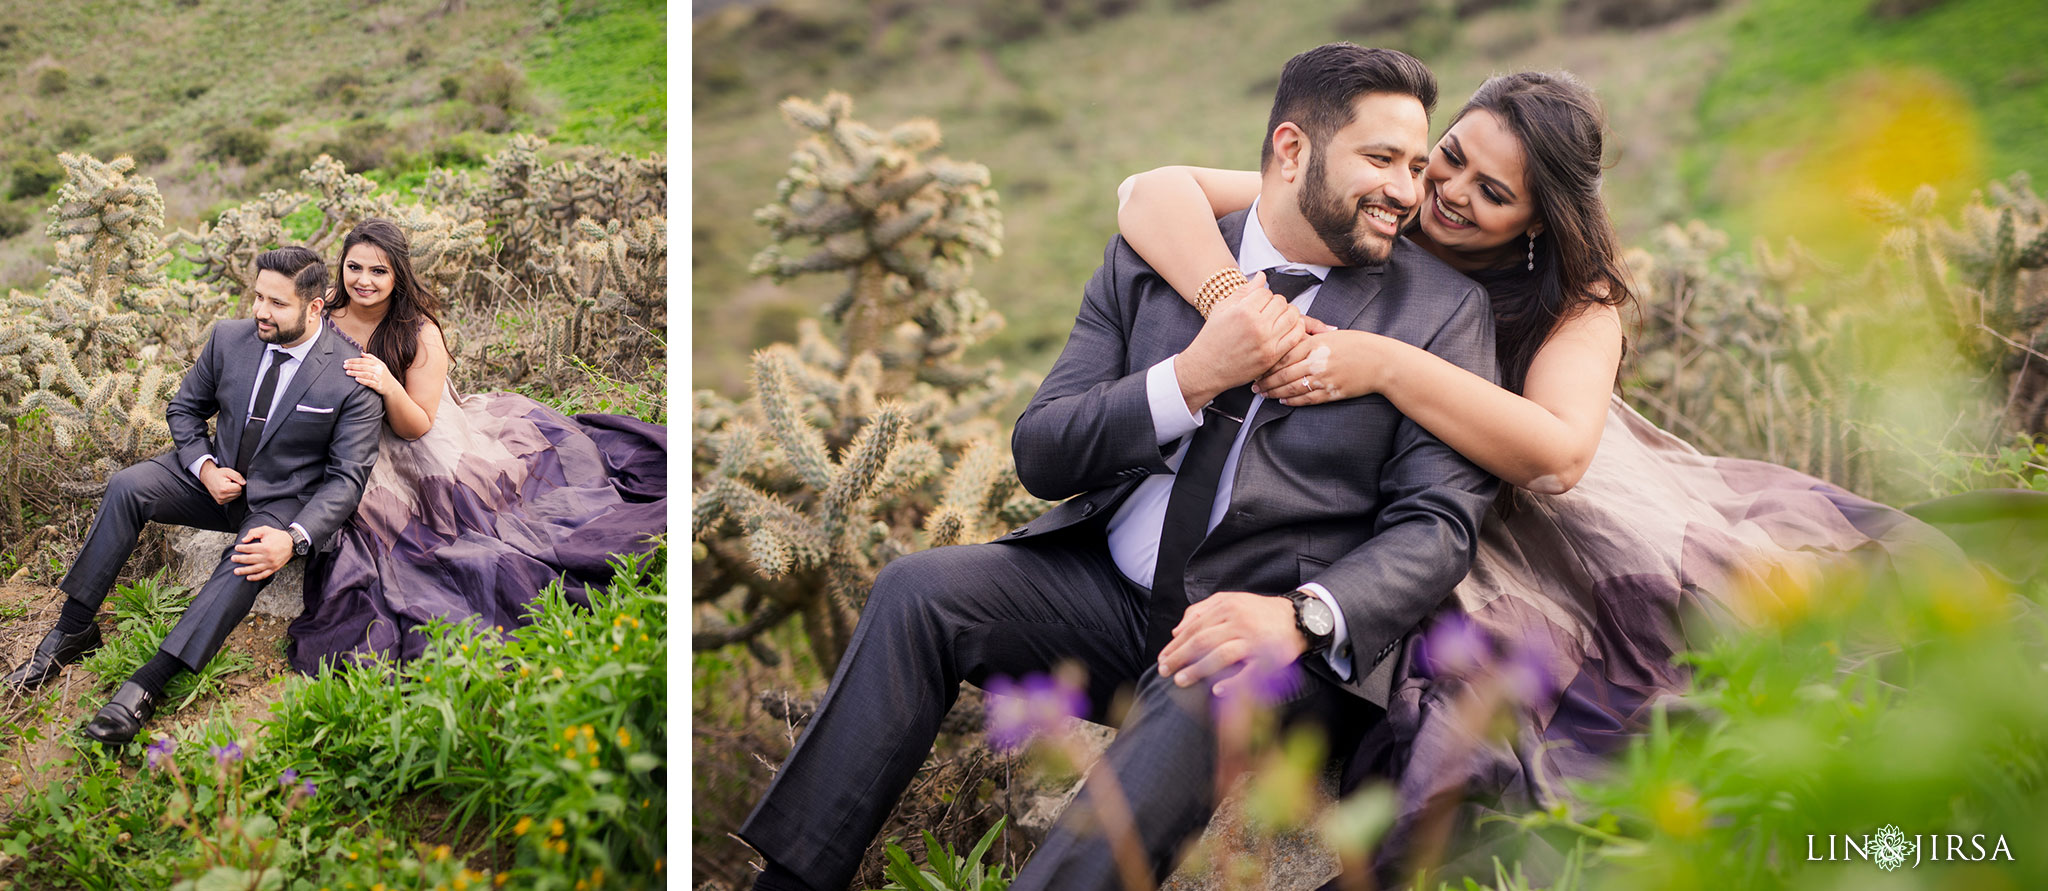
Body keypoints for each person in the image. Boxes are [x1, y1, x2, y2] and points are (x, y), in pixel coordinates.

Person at [1116, 70, 1966, 881]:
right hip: (1410, 504)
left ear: (1535, 222)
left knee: (1673, 681)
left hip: (1548, 513)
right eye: (1450, 157)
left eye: (1493, 192)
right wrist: (1230, 295)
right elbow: (1148, 193)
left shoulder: (1578, 298)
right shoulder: (1388, 204)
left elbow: (1559, 455)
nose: (1449, 192)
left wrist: (1384, 362)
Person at [742, 43, 1500, 891]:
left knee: (1202, 687)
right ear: (1293, 150)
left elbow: (1437, 524)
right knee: (918, 591)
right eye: (1381, 159)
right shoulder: (1157, 254)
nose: (1408, 189)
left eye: (1414, 164)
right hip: (1102, 599)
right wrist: (1193, 374)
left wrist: (1304, 619)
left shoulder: (1442, 311)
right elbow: (1043, 450)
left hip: (1265, 646)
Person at [2, 247, 383, 744]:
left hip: (282, 503)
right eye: (258, 296)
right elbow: (184, 409)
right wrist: (205, 469)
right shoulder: (230, 338)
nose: (260, 312)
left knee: (249, 556)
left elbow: (346, 479)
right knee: (128, 485)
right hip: (211, 481)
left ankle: (147, 683)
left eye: (277, 303)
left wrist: (294, 538)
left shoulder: (350, 375)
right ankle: (74, 627)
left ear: (314, 308)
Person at [283, 218, 665, 672]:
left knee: (444, 514)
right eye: (355, 267)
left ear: (398, 274)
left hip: (412, 434)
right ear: (340, 267)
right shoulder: (321, 315)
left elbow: (417, 426)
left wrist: (386, 384)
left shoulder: (418, 332)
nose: (364, 280)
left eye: (379, 271)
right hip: (340, 431)